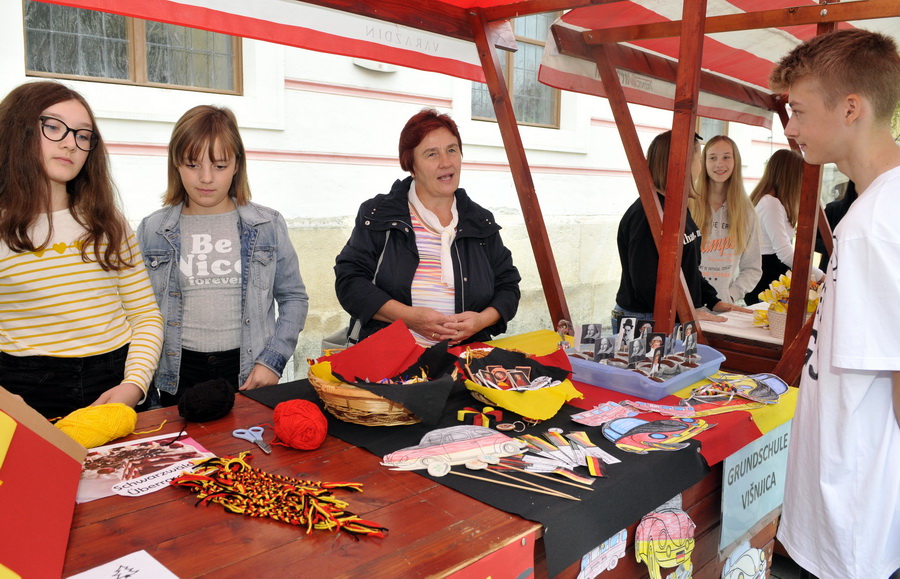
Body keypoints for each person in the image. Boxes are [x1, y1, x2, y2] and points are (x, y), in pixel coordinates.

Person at [770, 29, 900, 579]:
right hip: (849, 515)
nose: (790, 128)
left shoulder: (878, 222)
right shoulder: (874, 211)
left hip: (855, 525)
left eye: (798, 111)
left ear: (851, 109)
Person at [0, 81, 163, 419]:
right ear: (18, 130)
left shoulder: (108, 222)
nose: (70, 143)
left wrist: (134, 386)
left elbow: (145, 315)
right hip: (25, 392)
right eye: (53, 127)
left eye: (83, 135)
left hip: (117, 379)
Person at [137, 105, 308, 407]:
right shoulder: (153, 230)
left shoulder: (267, 225)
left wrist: (273, 360)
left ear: (237, 164)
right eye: (192, 164)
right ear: (176, 163)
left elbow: (294, 298)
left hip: (249, 372)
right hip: (177, 375)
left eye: (219, 165)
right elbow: (138, 312)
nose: (206, 178)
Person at [334, 109, 520, 346]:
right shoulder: (378, 214)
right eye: (432, 154)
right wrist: (409, 318)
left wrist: (481, 321)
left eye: (452, 150)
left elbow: (508, 287)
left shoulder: (480, 221)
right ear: (411, 165)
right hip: (393, 356)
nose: (446, 162)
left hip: (465, 357)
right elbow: (349, 282)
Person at [613, 131, 749, 334]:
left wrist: (713, 301)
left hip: (671, 318)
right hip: (645, 320)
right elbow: (645, 283)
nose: (700, 166)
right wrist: (685, 313)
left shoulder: (677, 207)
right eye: (699, 159)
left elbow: (687, 270)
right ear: (682, 163)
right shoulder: (646, 213)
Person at [744, 148, 824, 304]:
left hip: (768, 275)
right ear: (791, 176)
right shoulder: (770, 203)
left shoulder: (771, 202)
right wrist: (820, 276)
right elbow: (785, 253)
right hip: (767, 278)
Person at [689, 135, 762, 303]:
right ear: (703, 162)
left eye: (726, 157)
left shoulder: (747, 212)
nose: (719, 164)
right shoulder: (689, 205)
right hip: (690, 306)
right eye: (713, 158)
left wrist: (731, 295)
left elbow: (752, 268)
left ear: (736, 162)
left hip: (723, 309)